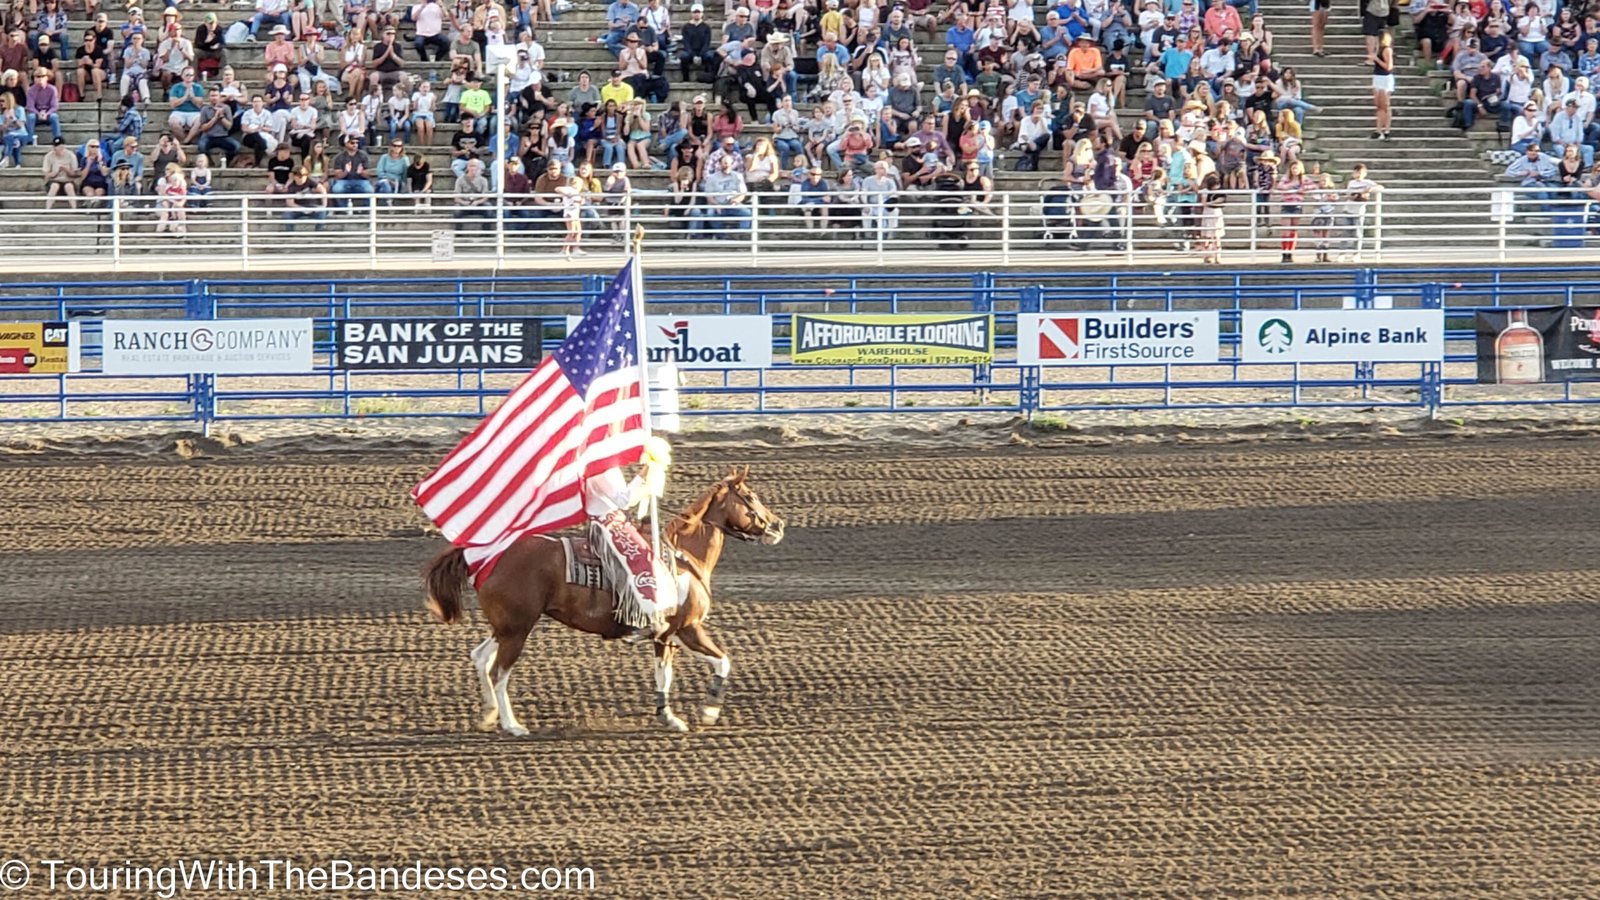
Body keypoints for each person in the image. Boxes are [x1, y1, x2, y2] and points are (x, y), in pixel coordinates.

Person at [586, 436, 678, 643]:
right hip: (607, 524)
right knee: (641, 558)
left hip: (610, 519)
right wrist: (644, 473)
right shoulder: (604, 470)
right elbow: (624, 500)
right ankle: (641, 619)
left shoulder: (601, 466)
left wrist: (646, 479)